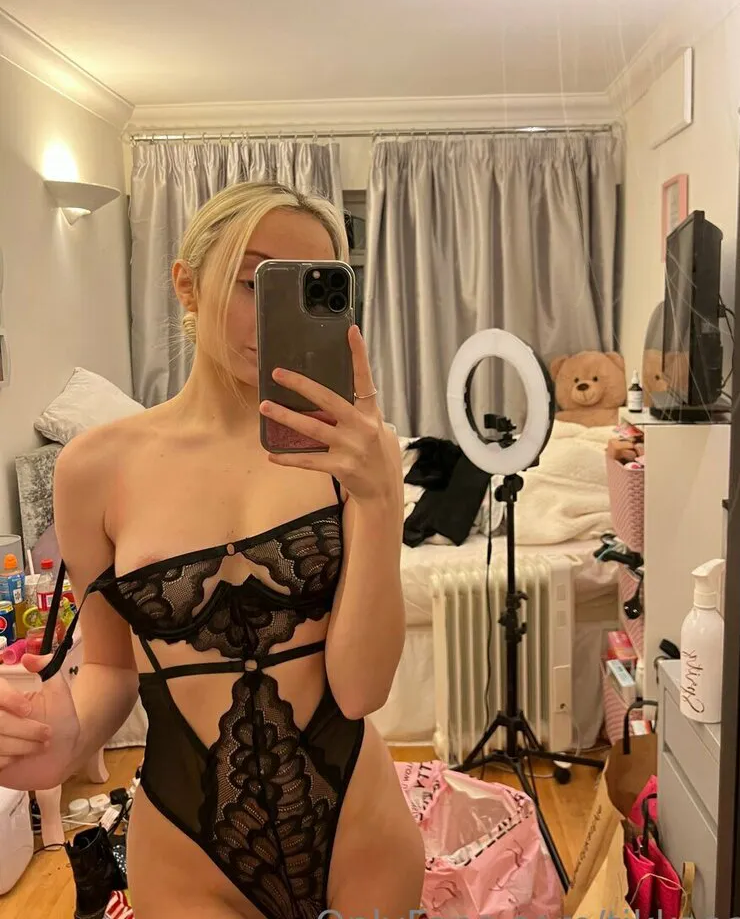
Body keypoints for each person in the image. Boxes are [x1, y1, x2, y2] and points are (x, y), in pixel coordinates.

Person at [0, 182, 425, 919]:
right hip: (186, 852)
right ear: (187, 284)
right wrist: (57, 739)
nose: (274, 316)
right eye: (255, 280)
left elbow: (360, 691)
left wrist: (379, 495)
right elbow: (111, 668)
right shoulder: (95, 468)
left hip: (362, 834)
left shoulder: (357, 452)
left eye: (308, 288)